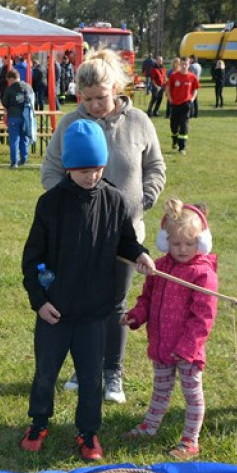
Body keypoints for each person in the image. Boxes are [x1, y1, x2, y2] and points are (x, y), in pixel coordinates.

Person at [20, 120, 155, 461]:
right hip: (55, 311)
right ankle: (38, 422)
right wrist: (40, 301)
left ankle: (88, 431)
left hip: (95, 313)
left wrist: (140, 254)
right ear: (68, 166)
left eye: (97, 168)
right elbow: (32, 259)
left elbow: (126, 241)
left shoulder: (115, 201)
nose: (92, 176)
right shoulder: (50, 204)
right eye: (83, 170)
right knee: (45, 373)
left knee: (92, 378)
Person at [41, 48, 167, 403]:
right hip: (80, 237)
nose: (95, 105)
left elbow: (155, 167)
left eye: (101, 97)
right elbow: (51, 170)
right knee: (82, 302)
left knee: (114, 304)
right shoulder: (70, 124)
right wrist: (69, 205)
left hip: (125, 238)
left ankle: (113, 373)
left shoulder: (139, 121)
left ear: (115, 88)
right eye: (88, 99)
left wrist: (143, 200)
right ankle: (86, 367)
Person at [123, 198, 218, 460]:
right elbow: (147, 299)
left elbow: (203, 317)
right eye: (176, 244)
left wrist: (188, 347)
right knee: (161, 389)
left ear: (202, 241)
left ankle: (190, 440)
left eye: (189, 243)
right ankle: (150, 426)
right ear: (165, 242)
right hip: (162, 345)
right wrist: (136, 316)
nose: (182, 249)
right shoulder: (160, 267)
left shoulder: (203, 275)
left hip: (188, 350)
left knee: (192, 394)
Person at [167, 56, 199, 154]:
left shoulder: (192, 77)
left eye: (186, 64)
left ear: (189, 65)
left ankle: (182, 147)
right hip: (175, 104)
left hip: (186, 104)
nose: (184, 66)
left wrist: (191, 100)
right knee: (174, 126)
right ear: (179, 64)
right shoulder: (174, 76)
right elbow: (168, 89)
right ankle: (175, 140)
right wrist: (171, 100)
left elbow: (195, 89)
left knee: (184, 125)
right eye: (182, 64)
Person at [3, 70, 34, 168]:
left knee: (14, 139)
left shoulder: (10, 89)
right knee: (24, 138)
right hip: (26, 117)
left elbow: (5, 103)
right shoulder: (28, 87)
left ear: (11, 79)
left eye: (8, 80)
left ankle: (14, 162)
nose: (8, 82)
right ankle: (24, 159)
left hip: (13, 116)